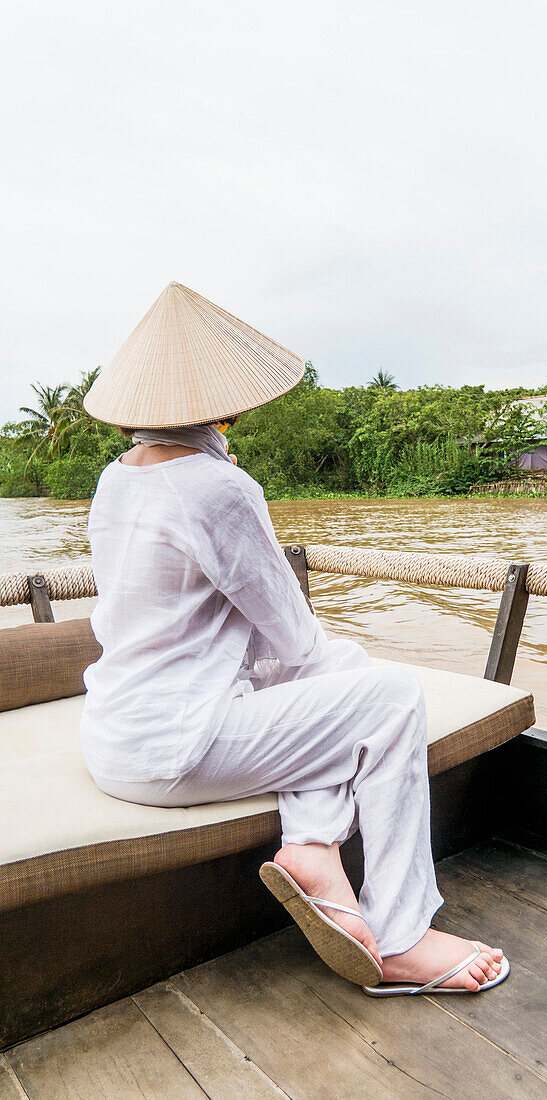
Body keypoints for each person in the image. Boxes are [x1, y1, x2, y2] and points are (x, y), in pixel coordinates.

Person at [80, 281, 508, 995]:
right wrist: (232, 489)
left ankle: (312, 845)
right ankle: (399, 935)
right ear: (231, 400)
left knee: (343, 671)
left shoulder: (114, 479)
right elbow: (293, 639)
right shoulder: (216, 488)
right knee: (388, 694)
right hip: (174, 748)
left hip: (118, 730)